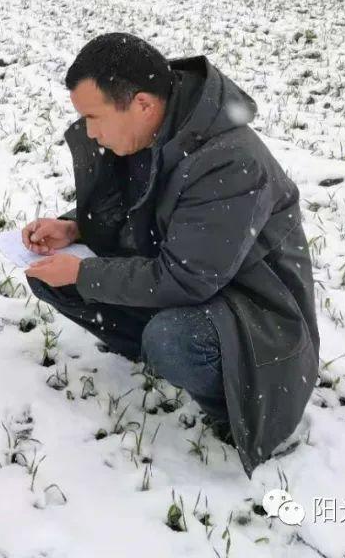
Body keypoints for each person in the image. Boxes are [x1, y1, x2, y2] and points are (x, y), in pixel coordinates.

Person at [23, 32, 318, 476]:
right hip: (198, 286)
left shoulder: (230, 161)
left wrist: (84, 274)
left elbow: (186, 279)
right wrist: (73, 228)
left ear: (141, 103)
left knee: (173, 338)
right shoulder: (151, 132)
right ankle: (153, 351)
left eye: (92, 117)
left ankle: (233, 405)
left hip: (259, 321)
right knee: (47, 273)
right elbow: (135, 209)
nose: (90, 132)